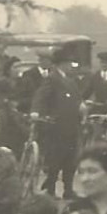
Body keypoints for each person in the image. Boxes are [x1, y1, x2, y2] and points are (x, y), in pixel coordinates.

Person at [32, 51, 83, 198]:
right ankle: (51, 189)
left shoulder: (71, 81)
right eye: (69, 64)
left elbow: (77, 99)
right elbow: (40, 96)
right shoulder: (52, 79)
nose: (71, 67)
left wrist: (82, 105)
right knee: (55, 159)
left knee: (71, 159)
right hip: (57, 127)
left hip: (72, 126)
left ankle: (68, 189)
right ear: (63, 64)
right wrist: (35, 111)